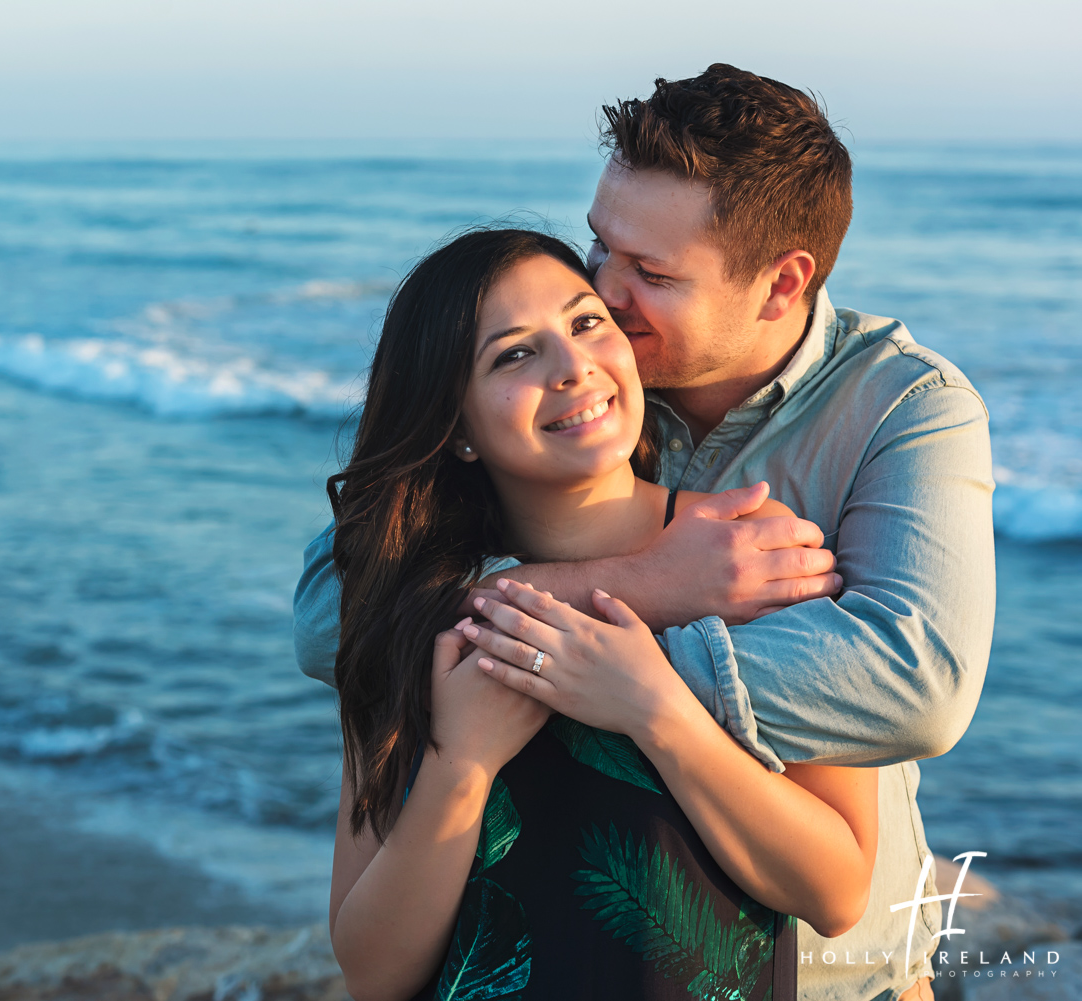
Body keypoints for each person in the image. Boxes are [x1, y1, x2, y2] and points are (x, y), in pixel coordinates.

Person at [298, 65, 995, 1001]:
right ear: (454, 426)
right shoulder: (597, 428)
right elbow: (332, 625)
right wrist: (649, 584)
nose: (604, 309)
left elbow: (916, 691)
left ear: (782, 284)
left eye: (647, 277)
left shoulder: (844, 471)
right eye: (600, 250)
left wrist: (637, 687)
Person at [330, 229, 880, 1001]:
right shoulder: (413, 612)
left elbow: (836, 891)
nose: (573, 366)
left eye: (588, 322)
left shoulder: (761, 561)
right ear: (455, 429)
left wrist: (658, 712)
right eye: (514, 355)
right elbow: (372, 973)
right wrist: (462, 766)